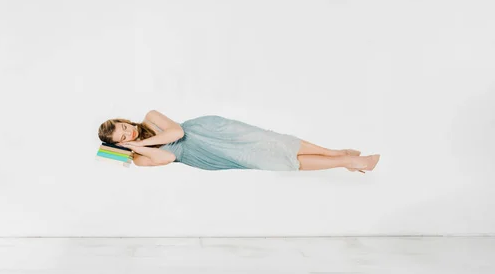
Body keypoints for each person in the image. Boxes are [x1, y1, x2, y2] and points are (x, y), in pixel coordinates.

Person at [98, 110, 380, 172]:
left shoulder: (149, 117)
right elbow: (169, 156)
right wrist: (131, 150)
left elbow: (177, 134)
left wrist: (140, 141)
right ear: (119, 145)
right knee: (273, 160)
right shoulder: (138, 157)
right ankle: (347, 160)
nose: (129, 133)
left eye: (125, 127)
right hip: (202, 155)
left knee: (274, 141)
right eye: (123, 137)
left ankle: (336, 153)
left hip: (209, 131)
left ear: (127, 120)